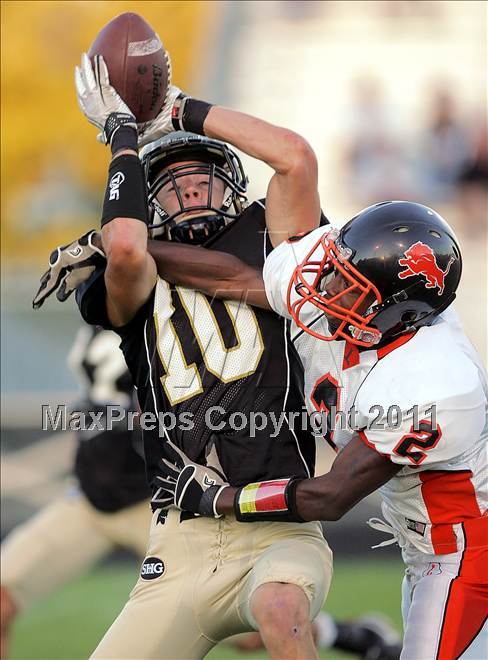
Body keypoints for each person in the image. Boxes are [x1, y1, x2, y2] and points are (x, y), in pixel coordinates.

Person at [136, 199, 487, 660]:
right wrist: (132, 249)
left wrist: (218, 499)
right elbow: (236, 279)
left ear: (395, 311)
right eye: (337, 266)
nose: (326, 282)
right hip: (424, 548)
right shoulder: (357, 305)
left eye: (348, 283)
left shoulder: (432, 384)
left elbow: (331, 496)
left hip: (463, 553)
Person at [1, 324, 151, 660]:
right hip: (89, 499)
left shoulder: (165, 311)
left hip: (155, 503)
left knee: (258, 625)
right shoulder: (94, 312)